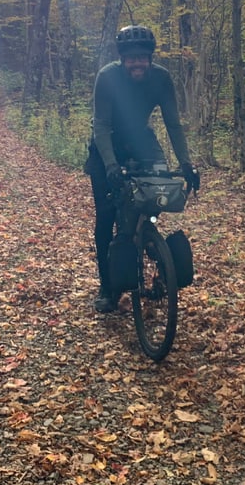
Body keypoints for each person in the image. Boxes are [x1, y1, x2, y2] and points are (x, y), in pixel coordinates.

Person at [84, 25, 200, 313]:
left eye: (143, 57)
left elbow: (173, 123)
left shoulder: (161, 78)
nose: (138, 63)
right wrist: (110, 165)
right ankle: (107, 288)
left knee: (155, 197)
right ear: (123, 59)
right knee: (107, 216)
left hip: (142, 142)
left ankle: (150, 245)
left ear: (150, 58)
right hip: (106, 145)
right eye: (132, 58)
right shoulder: (107, 77)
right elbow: (100, 125)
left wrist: (186, 163)